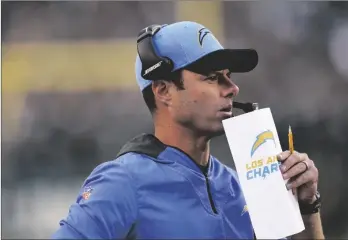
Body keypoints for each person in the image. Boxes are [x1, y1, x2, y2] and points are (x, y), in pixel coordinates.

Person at [52, 21, 324, 239]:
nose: (232, 88)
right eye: (212, 77)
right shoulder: (122, 182)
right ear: (163, 90)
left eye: (229, 76)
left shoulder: (239, 184)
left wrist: (305, 208)